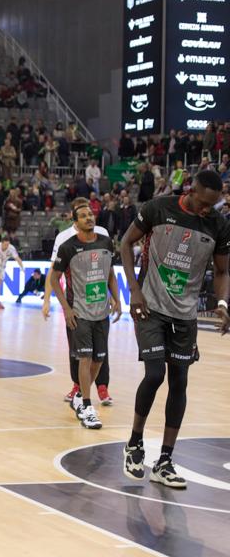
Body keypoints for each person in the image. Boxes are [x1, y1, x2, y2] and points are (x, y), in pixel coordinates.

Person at [120, 170, 230, 488]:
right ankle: (135, 443)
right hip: (151, 306)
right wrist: (134, 291)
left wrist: (223, 304)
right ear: (191, 191)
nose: (210, 209)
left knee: (179, 381)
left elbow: (223, 271)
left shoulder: (218, 225)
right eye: (205, 202)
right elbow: (126, 243)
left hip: (185, 315)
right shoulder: (159, 208)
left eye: (215, 204)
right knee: (155, 374)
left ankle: (165, 460)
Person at [50, 204, 122, 430]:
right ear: (75, 222)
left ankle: (80, 396)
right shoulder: (67, 247)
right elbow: (54, 279)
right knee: (85, 358)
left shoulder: (105, 242)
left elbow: (110, 273)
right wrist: (66, 308)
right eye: (83, 216)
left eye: (90, 214)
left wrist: (117, 298)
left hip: (101, 313)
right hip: (79, 313)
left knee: (99, 359)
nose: (89, 218)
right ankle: (88, 406)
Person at [0, 236, 24, 310]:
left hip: (2, 267)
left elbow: (17, 258)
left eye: (8, 244)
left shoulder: (11, 248)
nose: (6, 246)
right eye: (5, 244)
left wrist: (22, 267)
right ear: (1, 243)